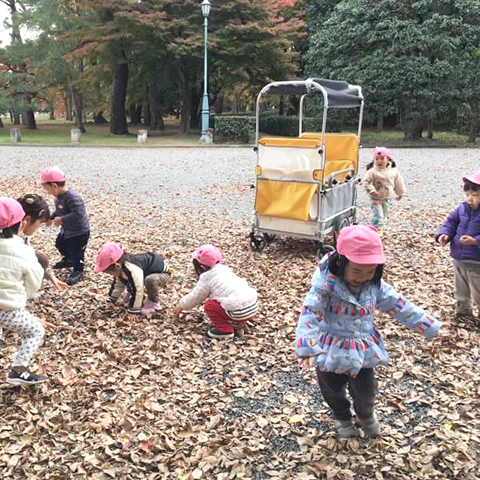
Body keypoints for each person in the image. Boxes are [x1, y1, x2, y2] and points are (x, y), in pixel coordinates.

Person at [296, 225, 446, 438]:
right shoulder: (325, 287)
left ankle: (366, 415)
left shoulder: (375, 286)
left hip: (362, 350)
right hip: (330, 350)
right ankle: (341, 416)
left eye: (370, 271)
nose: (363, 277)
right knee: (332, 389)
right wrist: (307, 346)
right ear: (341, 262)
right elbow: (310, 312)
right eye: (357, 271)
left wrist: (431, 326)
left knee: (366, 392)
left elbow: (400, 305)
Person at [0, 198, 56, 385]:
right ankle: (18, 369)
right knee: (36, 332)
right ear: (22, 223)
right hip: (9, 310)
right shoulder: (24, 250)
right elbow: (33, 284)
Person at [173, 245, 258, 340]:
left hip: (239, 312)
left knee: (209, 306)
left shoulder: (207, 278)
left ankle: (225, 330)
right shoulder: (224, 269)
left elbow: (196, 297)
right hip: (253, 307)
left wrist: (181, 306)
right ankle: (237, 320)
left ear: (201, 266)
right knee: (228, 297)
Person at [436, 171, 480, 322]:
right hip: (459, 259)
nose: (469, 199)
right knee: (461, 289)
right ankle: (463, 312)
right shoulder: (461, 209)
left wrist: (475, 240)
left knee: (478, 292)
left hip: (476, 262)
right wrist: (444, 235)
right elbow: (450, 223)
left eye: (474, 195)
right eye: (467, 194)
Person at [38, 166, 90, 286]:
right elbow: (59, 211)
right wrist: (50, 218)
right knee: (60, 243)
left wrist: (62, 220)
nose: (48, 192)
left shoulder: (73, 198)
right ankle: (68, 259)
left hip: (79, 231)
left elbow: (78, 215)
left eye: (47, 189)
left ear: (54, 186)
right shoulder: (58, 197)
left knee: (77, 252)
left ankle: (78, 270)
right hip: (67, 230)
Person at [94, 242, 171, 315]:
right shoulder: (122, 268)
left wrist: (134, 310)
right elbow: (118, 284)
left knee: (149, 280)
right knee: (126, 278)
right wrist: (112, 299)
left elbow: (138, 288)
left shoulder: (132, 268)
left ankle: (153, 302)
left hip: (162, 274)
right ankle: (132, 296)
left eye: (110, 273)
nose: (112, 275)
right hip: (145, 273)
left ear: (118, 266)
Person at [17, 193, 68, 292]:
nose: (39, 227)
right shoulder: (11, 242)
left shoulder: (20, 234)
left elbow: (31, 257)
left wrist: (50, 276)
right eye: (40, 222)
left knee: (40, 259)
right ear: (27, 219)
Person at [363, 146, 406, 233]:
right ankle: (376, 230)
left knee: (385, 215)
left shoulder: (393, 171)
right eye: (376, 159)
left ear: (388, 159)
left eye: (382, 158)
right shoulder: (372, 172)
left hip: (387, 198)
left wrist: (400, 193)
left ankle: (378, 226)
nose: (379, 161)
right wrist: (372, 191)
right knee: (378, 215)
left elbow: (398, 182)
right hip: (375, 198)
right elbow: (366, 182)